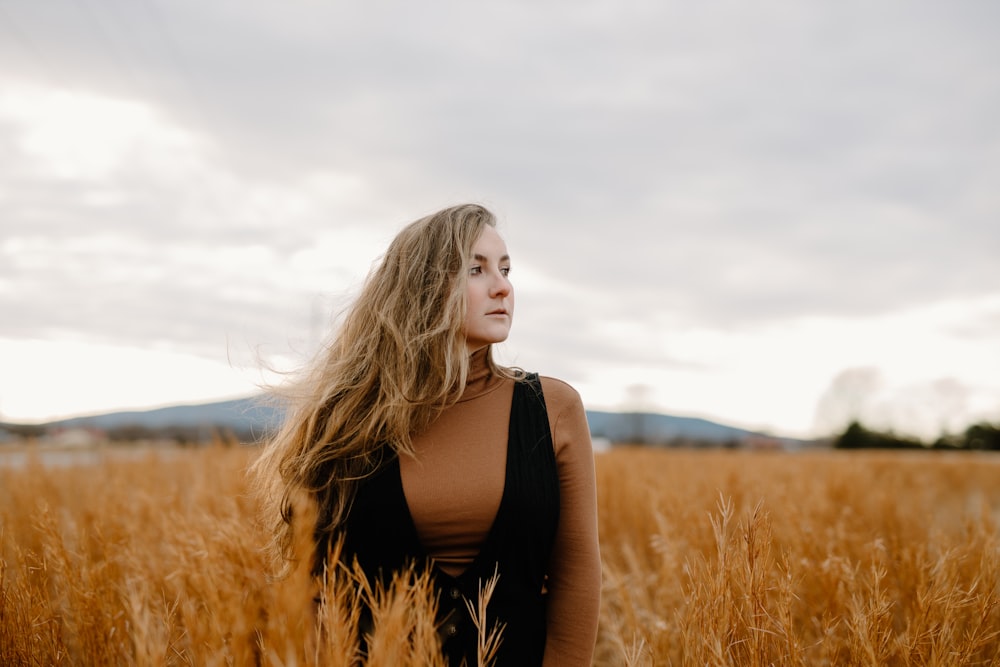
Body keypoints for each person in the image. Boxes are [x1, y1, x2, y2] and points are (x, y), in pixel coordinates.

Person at [250, 204, 601, 666]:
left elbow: (577, 574)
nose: (503, 286)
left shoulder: (551, 408)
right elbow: (316, 589)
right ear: (424, 284)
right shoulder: (345, 419)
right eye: (476, 269)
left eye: (505, 269)